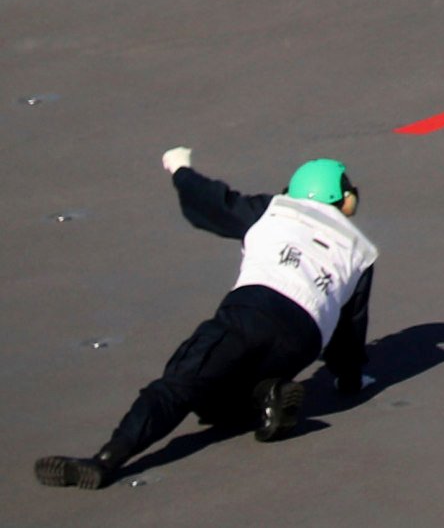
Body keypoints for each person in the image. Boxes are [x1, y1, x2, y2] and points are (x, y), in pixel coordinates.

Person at [37, 151, 374, 489]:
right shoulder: (359, 249)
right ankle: (267, 395)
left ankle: (105, 460)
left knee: (180, 385)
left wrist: (180, 169)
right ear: (343, 198)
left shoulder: (273, 209)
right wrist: (349, 379)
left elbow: (211, 203)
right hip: (304, 339)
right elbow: (350, 326)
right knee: (217, 406)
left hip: (252, 311)